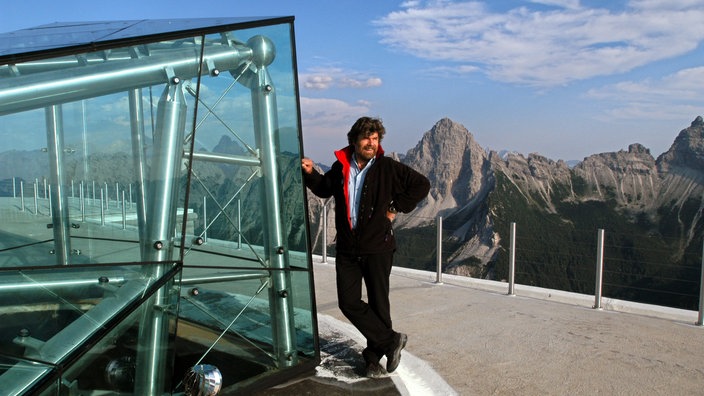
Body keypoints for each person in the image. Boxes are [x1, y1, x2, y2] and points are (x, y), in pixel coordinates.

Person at [301, 116, 430, 378]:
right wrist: (311, 172)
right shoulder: (341, 167)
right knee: (348, 302)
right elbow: (325, 189)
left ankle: (373, 358)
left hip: (378, 247)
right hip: (348, 247)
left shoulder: (388, 167)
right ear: (354, 140)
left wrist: (395, 208)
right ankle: (391, 340)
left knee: (379, 304)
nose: (371, 143)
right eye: (366, 138)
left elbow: (421, 185)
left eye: (375, 138)